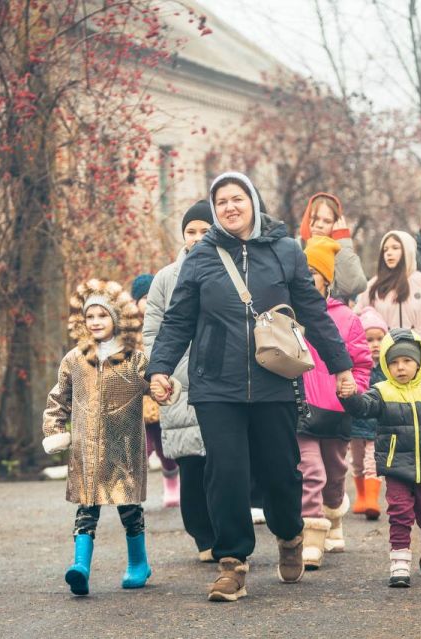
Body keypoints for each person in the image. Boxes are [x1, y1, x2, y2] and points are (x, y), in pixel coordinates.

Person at [147, 172, 356, 602]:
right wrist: (160, 369)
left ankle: (290, 533)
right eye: (221, 201)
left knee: (280, 471)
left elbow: (314, 313)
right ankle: (233, 563)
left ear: (253, 202)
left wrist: (341, 366)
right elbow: (178, 319)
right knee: (225, 473)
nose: (229, 207)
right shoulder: (201, 257)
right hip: (214, 384)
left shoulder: (284, 251)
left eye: (237, 198)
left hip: (273, 380)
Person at [41, 279, 151, 596]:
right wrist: (54, 430)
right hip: (87, 453)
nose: (96, 322)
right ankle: (81, 567)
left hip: (125, 452)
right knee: (86, 509)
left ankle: (138, 563)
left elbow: (157, 387)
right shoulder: (75, 359)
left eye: (103, 316)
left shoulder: (135, 359)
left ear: (116, 319)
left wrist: (164, 387)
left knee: (129, 510)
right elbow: (58, 399)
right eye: (91, 317)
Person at [339, 328, 421, 587]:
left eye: (406, 361)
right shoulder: (381, 391)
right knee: (399, 512)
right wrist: (350, 397)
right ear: (385, 364)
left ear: (419, 362)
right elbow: (363, 408)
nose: (400, 367)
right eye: (393, 362)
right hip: (395, 466)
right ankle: (400, 562)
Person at [142, 200, 216, 561]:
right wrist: (160, 373)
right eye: (191, 231)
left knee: (223, 464)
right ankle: (203, 537)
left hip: (220, 382)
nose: (198, 238)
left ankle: (227, 532)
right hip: (180, 385)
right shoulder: (165, 278)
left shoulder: (228, 271)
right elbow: (153, 332)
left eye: (205, 230)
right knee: (191, 465)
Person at [297, 236, 373, 569]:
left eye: (313, 272)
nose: (306, 278)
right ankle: (311, 535)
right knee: (310, 471)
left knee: (334, 472)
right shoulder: (286, 313)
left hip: (335, 408)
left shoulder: (346, 318)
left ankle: (334, 517)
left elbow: (361, 362)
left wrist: (352, 390)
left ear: (327, 280)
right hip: (299, 409)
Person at [355, 230, 421, 381]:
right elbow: (357, 319)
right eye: (385, 249)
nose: (389, 253)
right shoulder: (373, 286)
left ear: (407, 250)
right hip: (382, 368)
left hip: (418, 366)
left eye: (395, 248)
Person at [132, 273, 181, 508]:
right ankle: (132, 492)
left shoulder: (168, 324)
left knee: (166, 449)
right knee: (143, 446)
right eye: (143, 297)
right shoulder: (129, 332)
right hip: (139, 400)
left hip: (161, 396)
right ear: (135, 302)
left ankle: (171, 482)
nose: (148, 301)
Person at [350, 307, 389, 520]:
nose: (375, 344)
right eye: (369, 339)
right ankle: (362, 496)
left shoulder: (387, 367)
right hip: (356, 423)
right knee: (356, 461)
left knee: (372, 460)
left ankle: (372, 500)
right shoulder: (356, 365)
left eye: (379, 339)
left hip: (377, 423)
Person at [297, 192, 368, 301]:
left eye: (327, 221)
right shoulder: (294, 248)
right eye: (315, 218)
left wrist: (342, 244)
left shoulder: (339, 252)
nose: (319, 225)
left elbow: (354, 286)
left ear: (336, 224)